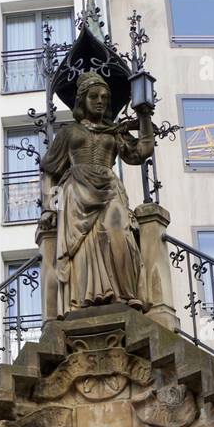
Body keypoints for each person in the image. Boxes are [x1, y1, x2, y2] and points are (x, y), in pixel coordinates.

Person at [40, 71, 154, 313]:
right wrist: (49, 207)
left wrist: (144, 117)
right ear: (82, 100)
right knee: (83, 246)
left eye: (104, 96)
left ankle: (126, 294)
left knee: (118, 232)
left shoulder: (114, 132)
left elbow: (140, 152)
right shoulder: (69, 132)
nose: (100, 100)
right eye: (94, 96)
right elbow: (49, 170)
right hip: (76, 192)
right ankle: (87, 297)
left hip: (109, 188)